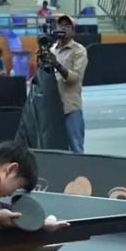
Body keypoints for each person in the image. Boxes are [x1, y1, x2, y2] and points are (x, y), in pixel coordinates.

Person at [40, 15, 88, 153]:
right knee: (54, 148)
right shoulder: (51, 49)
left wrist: (57, 65)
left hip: (70, 106)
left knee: (76, 147)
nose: (63, 28)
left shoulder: (79, 50)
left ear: (73, 30)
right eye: (61, 25)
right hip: (52, 107)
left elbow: (75, 78)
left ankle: (79, 168)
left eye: (67, 25)